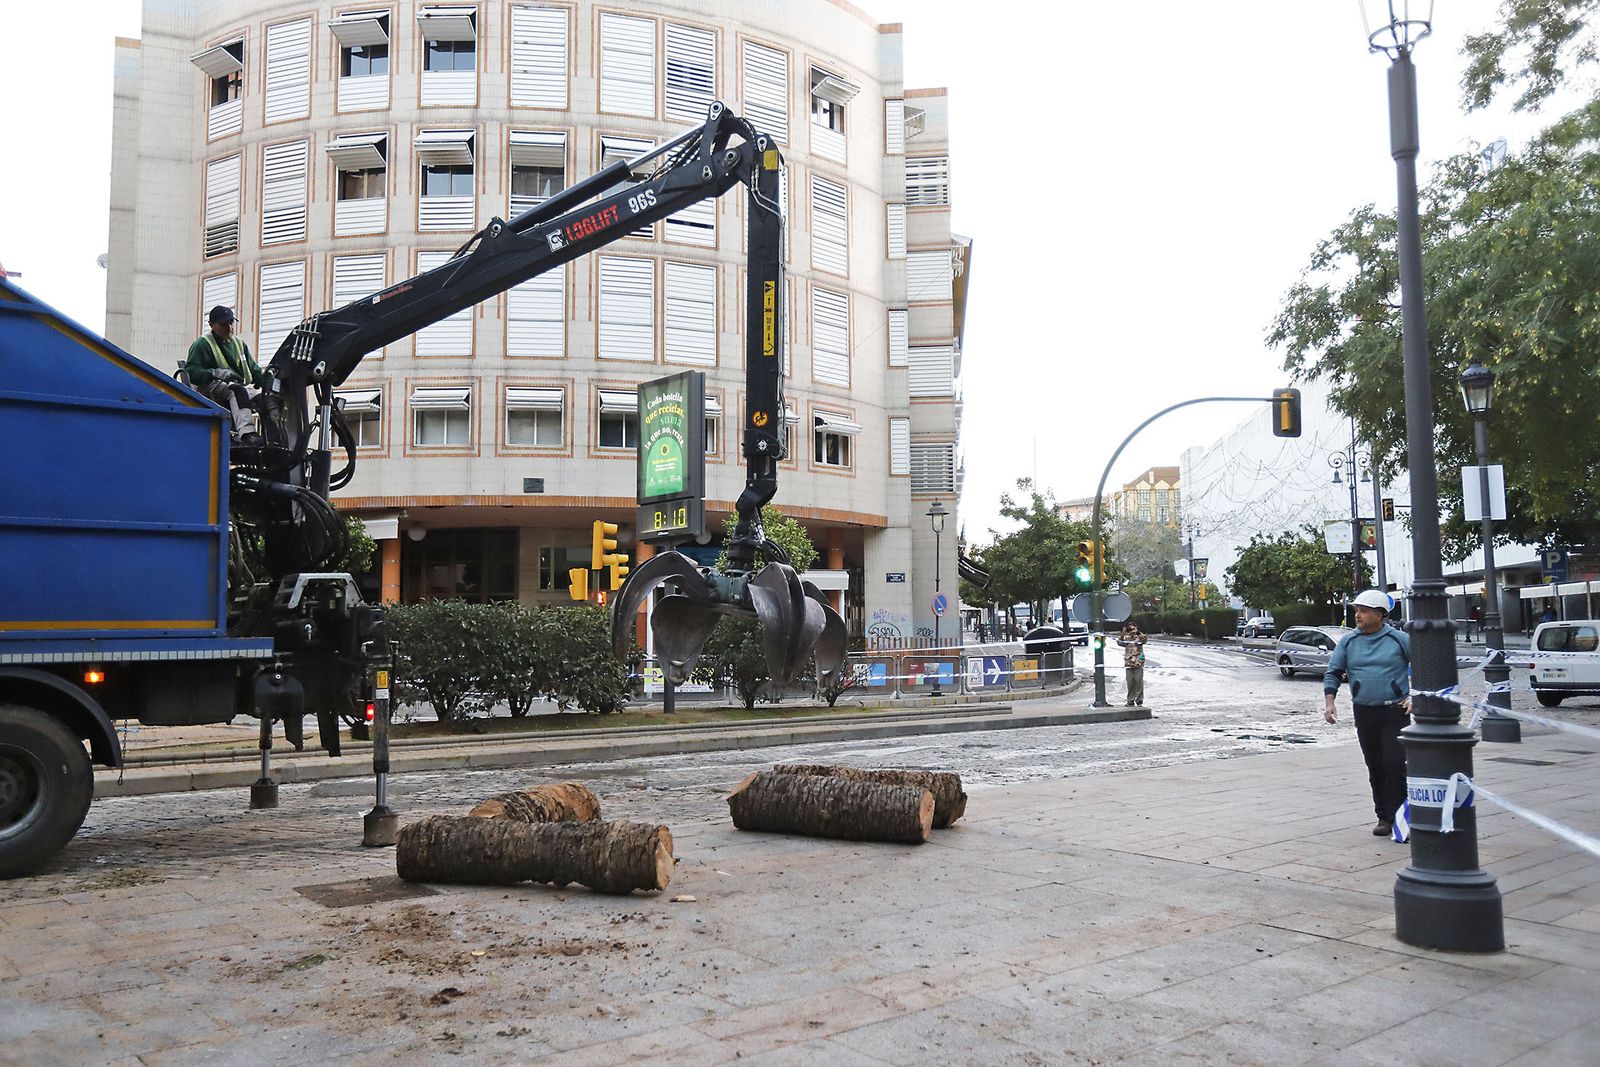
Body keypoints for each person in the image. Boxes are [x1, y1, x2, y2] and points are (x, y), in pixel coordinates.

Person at [1324, 589, 1412, 837]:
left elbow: (1423, 666)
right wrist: (1329, 702)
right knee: (1375, 765)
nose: (1358, 615)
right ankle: (1383, 817)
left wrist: (1414, 696)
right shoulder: (1349, 641)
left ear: (1380, 614)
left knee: (1394, 764)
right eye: (1357, 611)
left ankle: (1400, 818)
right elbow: (1334, 672)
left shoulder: (1399, 639)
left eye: (1363, 611)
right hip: (1364, 711)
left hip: (1395, 710)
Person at [185, 305, 263, 433]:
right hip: (210, 386)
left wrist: (266, 381)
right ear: (211, 325)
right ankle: (247, 433)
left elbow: (254, 370)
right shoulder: (202, 344)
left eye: (231, 322)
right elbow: (191, 372)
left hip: (237, 386)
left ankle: (273, 437)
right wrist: (215, 373)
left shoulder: (239, 344)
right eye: (223, 324)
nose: (229, 327)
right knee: (237, 391)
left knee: (264, 399)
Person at [1118, 623, 1146, 707]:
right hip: (1129, 663)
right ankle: (1130, 700)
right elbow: (1119, 642)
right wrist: (1123, 632)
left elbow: (1145, 640)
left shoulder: (1139, 636)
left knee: (1138, 682)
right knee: (1130, 683)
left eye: (1133, 628)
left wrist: (1138, 632)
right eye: (1130, 628)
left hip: (1138, 662)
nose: (1132, 630)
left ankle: (1139, 700)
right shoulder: (1127, 638)